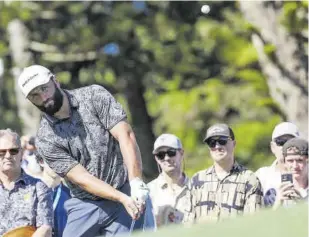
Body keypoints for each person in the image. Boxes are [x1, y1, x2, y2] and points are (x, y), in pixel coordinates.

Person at [17, 65, 151, 237]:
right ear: (30, 101)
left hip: (124, 188)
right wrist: (119, 197)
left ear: (55, 81)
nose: (43, 97)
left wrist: (136, 182)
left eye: (44, 88)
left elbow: (125, 135)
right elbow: (82, 178)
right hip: (84, 203)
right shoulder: (45, 139)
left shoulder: (94, 96)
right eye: (35, 95)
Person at [190, 123, 263, 223]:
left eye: (222, 141)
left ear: (234, 144)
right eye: (212, 143)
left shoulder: (249, 180)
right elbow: (188, 224)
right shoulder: (197, 180)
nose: (217, 146)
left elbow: (254, 224)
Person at [0, 129, 53, 237]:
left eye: (13, 151)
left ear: (21, 153)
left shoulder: (39, 187)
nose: (8, 156)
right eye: (2, 152)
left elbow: (45, 228)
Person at [148, 134, 193, 227]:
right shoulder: (148, 192)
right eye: (161, 155)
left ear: (181, 153)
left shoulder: (196, 189)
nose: (167, 158)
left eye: (171, 152)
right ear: (156, 159)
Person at [255, 122, 300, 206]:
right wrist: (278, 203)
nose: (286, 146)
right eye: (281, 142)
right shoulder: (261, 176)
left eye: (291, 141)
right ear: (273, 147)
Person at [33, 152, 71, 237]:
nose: (58, 165)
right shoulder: (31, 192)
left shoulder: (71, 195)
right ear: (41, 162)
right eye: (52, 160)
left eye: (61, 160)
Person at [272, 138, 308, 209]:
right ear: (284, 163)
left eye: (299, 160)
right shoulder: (275, 187)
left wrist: (302, 204)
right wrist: (278, 203)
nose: (295, 166)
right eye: (290, 161)